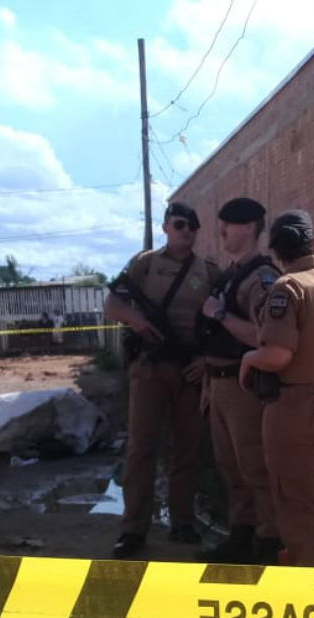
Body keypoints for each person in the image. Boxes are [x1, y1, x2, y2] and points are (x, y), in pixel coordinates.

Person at [240, 210, 314, 567]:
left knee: (299, 504)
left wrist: (249, 359)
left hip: (295, 408)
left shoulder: (288, 288)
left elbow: (277, 355)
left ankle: (310, 586)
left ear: (277, 251)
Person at [104, 201, 219, 558]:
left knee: (187, 450)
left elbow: (219, 324)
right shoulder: (145, 264)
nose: (187, 231)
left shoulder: (208, 271)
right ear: (166, 226)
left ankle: (182, 521)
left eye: (193, 226)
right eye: (180, 224)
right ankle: (133, 528)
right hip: (150, 369)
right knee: (142, 448)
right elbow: (112, 305)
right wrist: (136, 321)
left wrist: (206, 361)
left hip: (189, 371)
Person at [196, 197, 283, 564]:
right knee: (231, 467)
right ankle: (241, 536)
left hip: (244, 385)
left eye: (228, 225)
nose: (221, 231)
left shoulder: (262, 278)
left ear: (248, 227)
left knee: (255, 468)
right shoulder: (231, 274)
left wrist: (221, 316)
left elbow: (265, 336)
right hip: (219, 383)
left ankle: (268, 541)